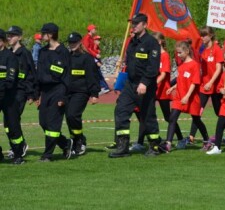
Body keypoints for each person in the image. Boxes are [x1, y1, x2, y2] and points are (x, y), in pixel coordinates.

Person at [109, 13, 162, 158]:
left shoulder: (151, 43)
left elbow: (153, 67)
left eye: (137, 23)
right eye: (133, 23)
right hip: (130, 84)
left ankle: (154, 146)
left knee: (147, 116)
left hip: (145, 85)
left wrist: (144, 82)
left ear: (145, 25)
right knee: (120, 110)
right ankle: (122, 146)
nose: (133, 26)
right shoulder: (132, 42)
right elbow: (130, 65)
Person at [190, 26, 225, 149]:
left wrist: (211, 82)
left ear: (210, 36)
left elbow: (219, 68)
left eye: (204, 35)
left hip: (215, 86)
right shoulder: (203, 50)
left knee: (220, 112)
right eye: (201, 35)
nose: (202, 37)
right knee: (196, 111)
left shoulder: (216, 50)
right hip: (204, 86)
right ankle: (193, 137)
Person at [161, 41, 210, 153]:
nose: (178, 55)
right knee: (172, 118)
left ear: (187, 51)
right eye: (177, 53)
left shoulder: (194, 65)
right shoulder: (181, 66)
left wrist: (187, 96)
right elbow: (182, 80)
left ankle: (207, 140)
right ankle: (168, 144)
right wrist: (173, 87)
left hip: (191, 98)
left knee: (196, 120)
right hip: (179, 97)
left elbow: (194, 82)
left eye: (180, 53)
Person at [35, 23, 73, 161]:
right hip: (45, 92)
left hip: (58, 89)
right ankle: (65, 143)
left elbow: (66, 76)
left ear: (50, 34)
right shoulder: (42, 51)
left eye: (43, 33)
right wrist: (37, 94)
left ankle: (47, 154)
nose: (41, 35)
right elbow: (39, 74)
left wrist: (63, 96)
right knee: (43, 122)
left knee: (53, 123)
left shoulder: (63, 52)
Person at [65, 32, 100, 156]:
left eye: (74, 42)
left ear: (80, 42)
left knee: (72, 115)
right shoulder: (67, 57)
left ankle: (80, 139)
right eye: (70, 42)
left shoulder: (87, 58)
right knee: (69, 118)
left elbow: (92, 77)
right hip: (67, 92)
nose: (71, 45)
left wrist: (94, 94)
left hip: (81, 92)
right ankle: (75, 140)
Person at [5, 26, 34, 164]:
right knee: (8, 124)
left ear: (20, 37)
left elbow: (30, 73)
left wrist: (31, 93)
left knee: (13, 122)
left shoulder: (25, 53)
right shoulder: (8, 53)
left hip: (20, 91)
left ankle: (19, 147)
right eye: (8, 36)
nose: (9, 38)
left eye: (12, 35)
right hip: (9, 92)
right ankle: (18, 145)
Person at [0, 29, 21, 164]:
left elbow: (11, 78)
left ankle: (18, 154)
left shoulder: (10, 56)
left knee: (13, 127)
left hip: (8, 98)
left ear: (2, 41)